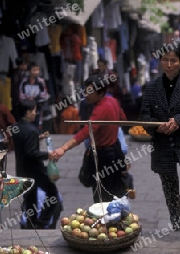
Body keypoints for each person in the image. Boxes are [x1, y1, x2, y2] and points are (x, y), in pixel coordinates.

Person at [138, 47, 180, 245]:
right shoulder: (151, 87)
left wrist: (178, 121)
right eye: (165, 60)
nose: (169, 65)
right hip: (162, 145)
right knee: (170, 190)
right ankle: (177, 226)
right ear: (160, 61)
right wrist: (157, 128)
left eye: (173, 60)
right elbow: (144, 117)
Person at [51, 74, 128, 203]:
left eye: (90, 92)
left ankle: (106, 220)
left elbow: (85, 133)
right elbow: (123, 119)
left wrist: (63, 148)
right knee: (116, 191)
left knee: (102, 195)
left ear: (101, 92)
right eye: (85, 91)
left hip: (104, 156)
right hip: (115, 151)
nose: (86, 95)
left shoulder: (101, 109)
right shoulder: (113, 101)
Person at [13, 99, 62, 229]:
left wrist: (38, 137)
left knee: (30, 199)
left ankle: (31, 223)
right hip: (35, 171)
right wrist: (48, 155)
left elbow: (24, 143)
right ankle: (42, 221)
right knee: (52, 193)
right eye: (34, 110)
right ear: (28, 113)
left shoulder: (16, 127)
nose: (35, 113)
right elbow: (31, 152)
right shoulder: (32, 130)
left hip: (22, 170)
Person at [19, 62, 48, 130]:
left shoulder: (41, 81)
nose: (36, 72)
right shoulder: (24, 82)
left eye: (37, 70)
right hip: (26, 108)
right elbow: (21, 94)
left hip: (37, 107)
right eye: (34, 70)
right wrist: (28, 100)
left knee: (37, 126)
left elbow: (44, 94)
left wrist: (34, 99)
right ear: (29, 71)